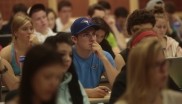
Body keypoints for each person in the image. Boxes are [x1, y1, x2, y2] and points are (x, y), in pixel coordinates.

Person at [110, 9, 157, 104]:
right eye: (137, 30)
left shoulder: (157, 60)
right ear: (130, 32)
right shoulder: (122, 60)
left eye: (148, 31)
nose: (144, 36)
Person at [116, 39, 182, 104]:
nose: (164, 70)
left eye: (164, 63)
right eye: (157, 65)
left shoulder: (177, 99)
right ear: (141, 70)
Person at [70, 17, 118, 98]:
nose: (92, 39)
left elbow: (118, 85)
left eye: (93, 34)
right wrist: (86, 92)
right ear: (74, 39)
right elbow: (59, 90)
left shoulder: (104, 55)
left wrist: (103, 58)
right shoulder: (66, 56)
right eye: (86, 35)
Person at [44, 32, 90, 104]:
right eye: (62, 54)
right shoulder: (39, 84)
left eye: (70, 55)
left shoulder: (72, 80)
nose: (68, 59)